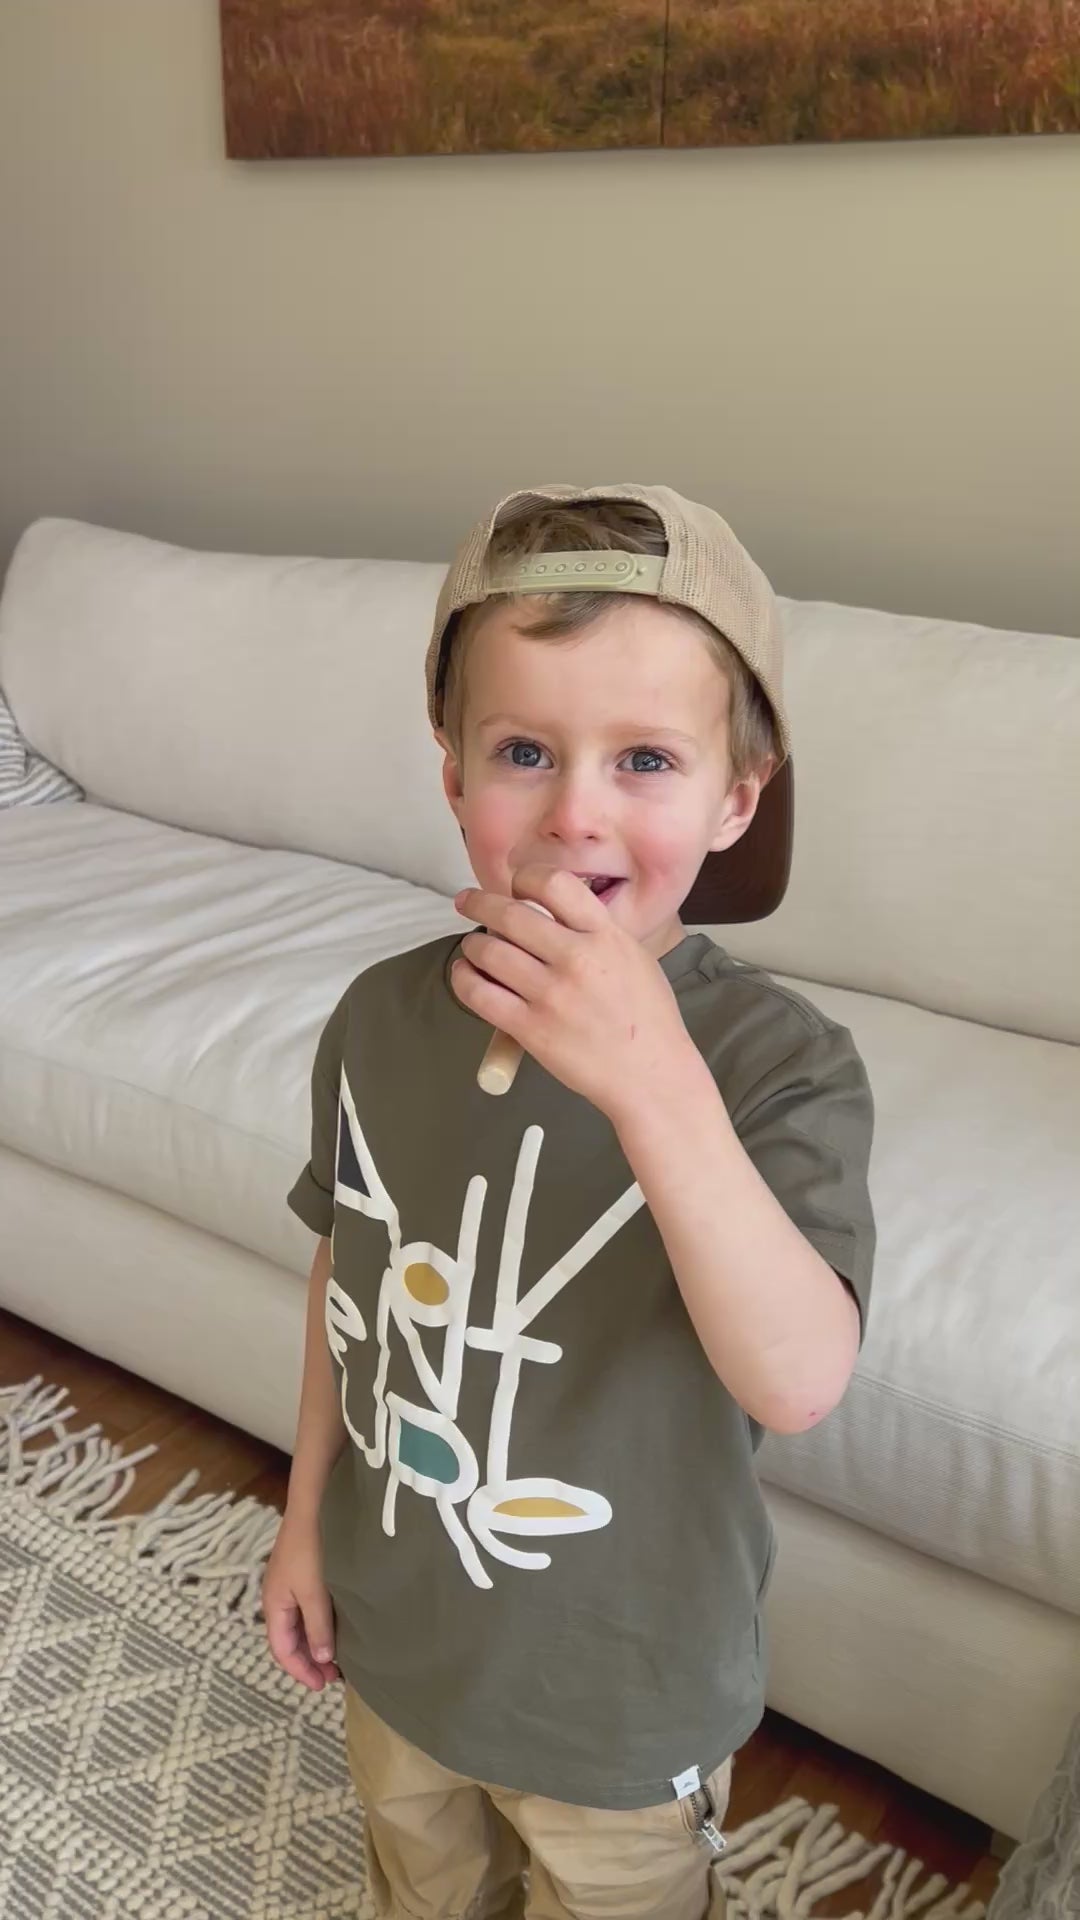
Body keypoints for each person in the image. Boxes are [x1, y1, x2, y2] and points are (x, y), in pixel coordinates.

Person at [264, 484, 875, 1920]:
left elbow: (795, 1380)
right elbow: (348, 1275)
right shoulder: (377, 1021)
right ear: (451, 769)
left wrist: (654, 1085)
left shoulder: (780, 1068)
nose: (575, 811)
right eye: (523, 750)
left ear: (737, 795)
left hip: (623, 1695)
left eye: (646, 758)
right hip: (401, 1634)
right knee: (421, 1881)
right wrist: (306, 1522)